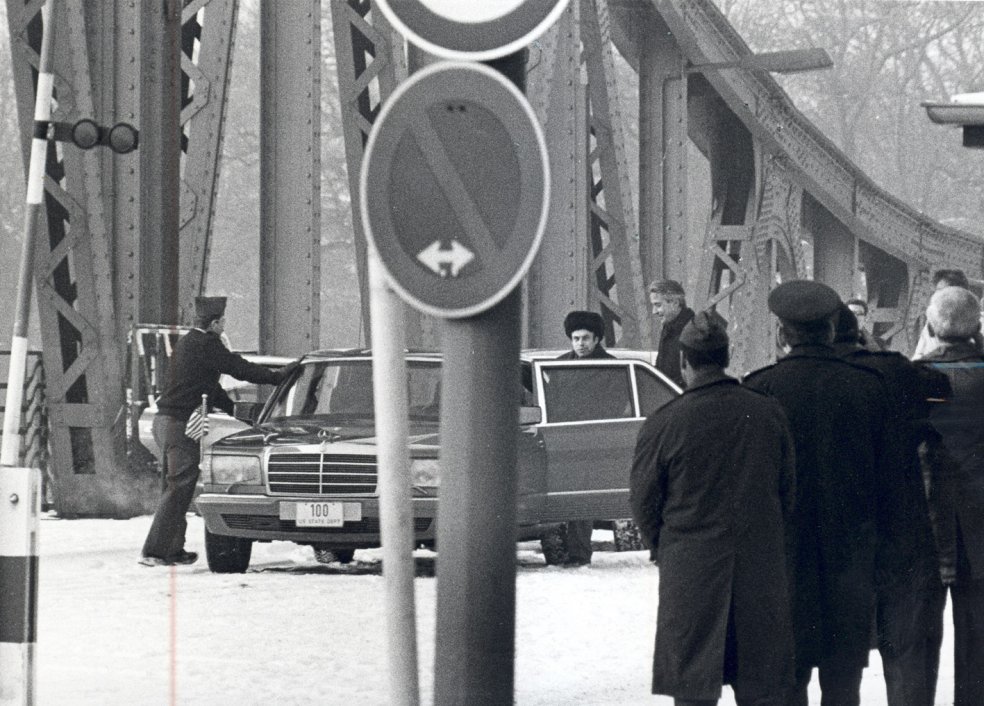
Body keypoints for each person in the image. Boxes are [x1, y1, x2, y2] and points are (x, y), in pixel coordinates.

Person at [630, 310, 796, 706]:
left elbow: (643, 502)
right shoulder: (767, 413)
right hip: (759, 571)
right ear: (726, 356)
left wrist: (668, 545)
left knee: (692, 690)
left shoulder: (664, 423)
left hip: (690, 573)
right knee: (762, 688)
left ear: (684, 361)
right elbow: (787, 492)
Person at [743, 280, 894, 706]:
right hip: (852, 556)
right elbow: (889, 480)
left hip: (783, 558)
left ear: (782, 334)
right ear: (832, 329)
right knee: (844, 680)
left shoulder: (759, 389)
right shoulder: (868, 387)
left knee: (788, 676)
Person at [833, 303, 951, 706]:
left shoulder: (804, 381)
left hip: (840, 544)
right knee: (909, 659)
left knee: (839, 669)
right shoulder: (894, 370)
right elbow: (941, 386)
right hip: (903, 535)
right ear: (859, 335)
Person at [140, 296, 296, 566]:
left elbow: (209, 387)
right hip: (180, 425)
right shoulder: (208, 344)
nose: (224, 326)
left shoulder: (188, 343)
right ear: (214, 323)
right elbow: (239, 368)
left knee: (175, 487)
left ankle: (173, 550)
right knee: (179, 488)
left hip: (165, 423)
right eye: (222, 321)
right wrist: (277, 377)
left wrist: (235, 411)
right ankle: (155, 552)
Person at [916, 286, 984, 706]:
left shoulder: (914, 377)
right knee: (978, 641)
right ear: (976, 327)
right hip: (980, 524)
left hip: (924, 520)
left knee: (918, 643)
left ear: (929, 325)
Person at [546, 310, 615, 566]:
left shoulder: (610, 366)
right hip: (561, 439)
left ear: (597, 339)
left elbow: (615, 405)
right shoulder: (560, 363)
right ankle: (555, 552)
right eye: (575, 338)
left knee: (581, 500)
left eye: (586, 338)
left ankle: (578, 555)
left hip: (592, 442)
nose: (580, 344)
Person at [912, 269, 973, 359]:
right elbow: (919, 355)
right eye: (936, 291)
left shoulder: (977, 324)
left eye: (942, 292)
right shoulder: (931, 323)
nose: (935, 296)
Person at [649, 280, 694, 388]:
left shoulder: (694, 332)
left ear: (675, 303)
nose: (654, 311)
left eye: (658, 305)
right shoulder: (669, 327)